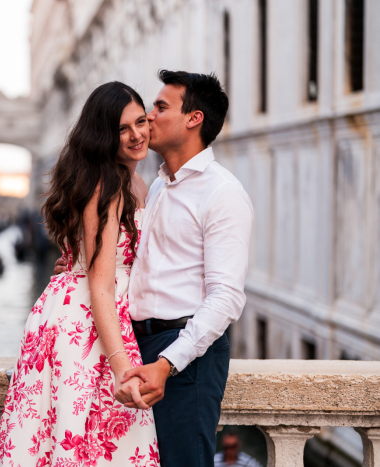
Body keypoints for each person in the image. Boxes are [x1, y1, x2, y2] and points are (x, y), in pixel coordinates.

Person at [55, 70, 254, 467]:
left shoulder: (222, 193)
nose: (150, 116)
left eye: (161, 107)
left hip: (182, 354)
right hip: (133, 345)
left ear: (193, 119)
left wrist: (167, 364)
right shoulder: (157, 185)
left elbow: (227, 298)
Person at [0, 82, 160, 466]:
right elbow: (100, 281)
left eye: (140, 122)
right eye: (122, 129)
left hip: (72, 311)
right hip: (89, 324)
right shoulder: (112, 185)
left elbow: (93, 262)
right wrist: (121, 368)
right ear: (104, 135)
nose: (136, 135)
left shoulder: (130, 182)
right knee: (98, 442)